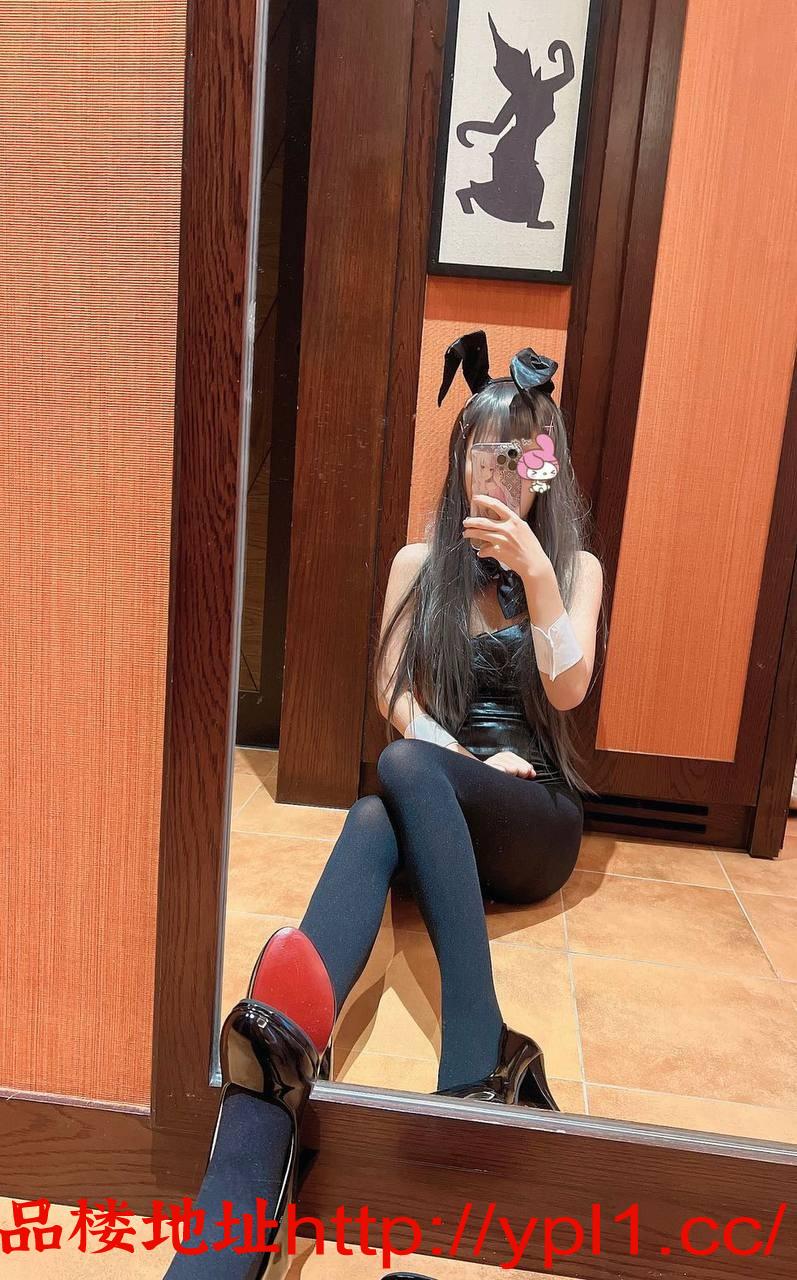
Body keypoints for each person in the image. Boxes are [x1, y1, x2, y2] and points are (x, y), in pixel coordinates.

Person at [166, 331, 604, 1278]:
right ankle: (334, 1053)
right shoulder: (418, 562)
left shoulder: (573, 571)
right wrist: (459, 756)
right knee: (386, 792)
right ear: (459, 462)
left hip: (533, 817)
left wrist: (536, 572)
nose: (498, 472)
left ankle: (414, 1059)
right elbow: (391, 692)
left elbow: (568, 692)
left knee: (398, 774)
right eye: (481, 453)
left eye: (517, 455)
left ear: (543, 465)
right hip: (446, 786)